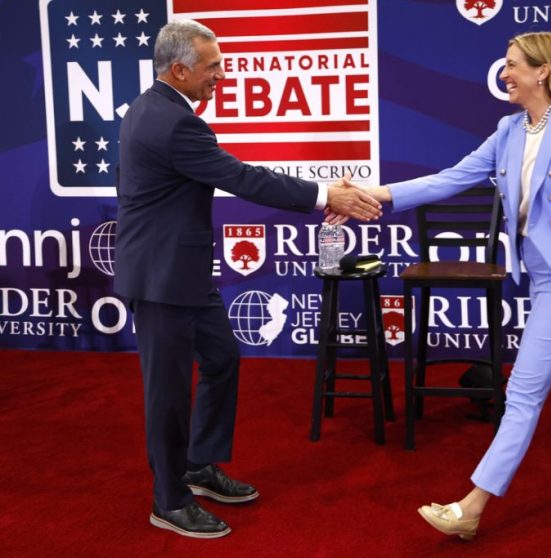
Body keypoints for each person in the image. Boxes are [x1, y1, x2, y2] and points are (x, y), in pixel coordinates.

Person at [348, 31, 551, 540]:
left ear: (542, 71)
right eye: (506, 64)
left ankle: (472, 506)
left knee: (521, 392)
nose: (504, 73)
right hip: (539, 274)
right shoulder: (508, 129)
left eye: (513, 64)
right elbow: (452, 177)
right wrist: (380, 194)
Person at [114, 19, 381, 539]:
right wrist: (328, 195)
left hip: (181, 268)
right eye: (212, 67)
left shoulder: (152, 109)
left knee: (222, 359)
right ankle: (168, 500)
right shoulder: (173, 123)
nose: (221, 75)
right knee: (167, 395)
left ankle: (199, 464)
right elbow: (240, 177)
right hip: (161, 278)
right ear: (179, 70)